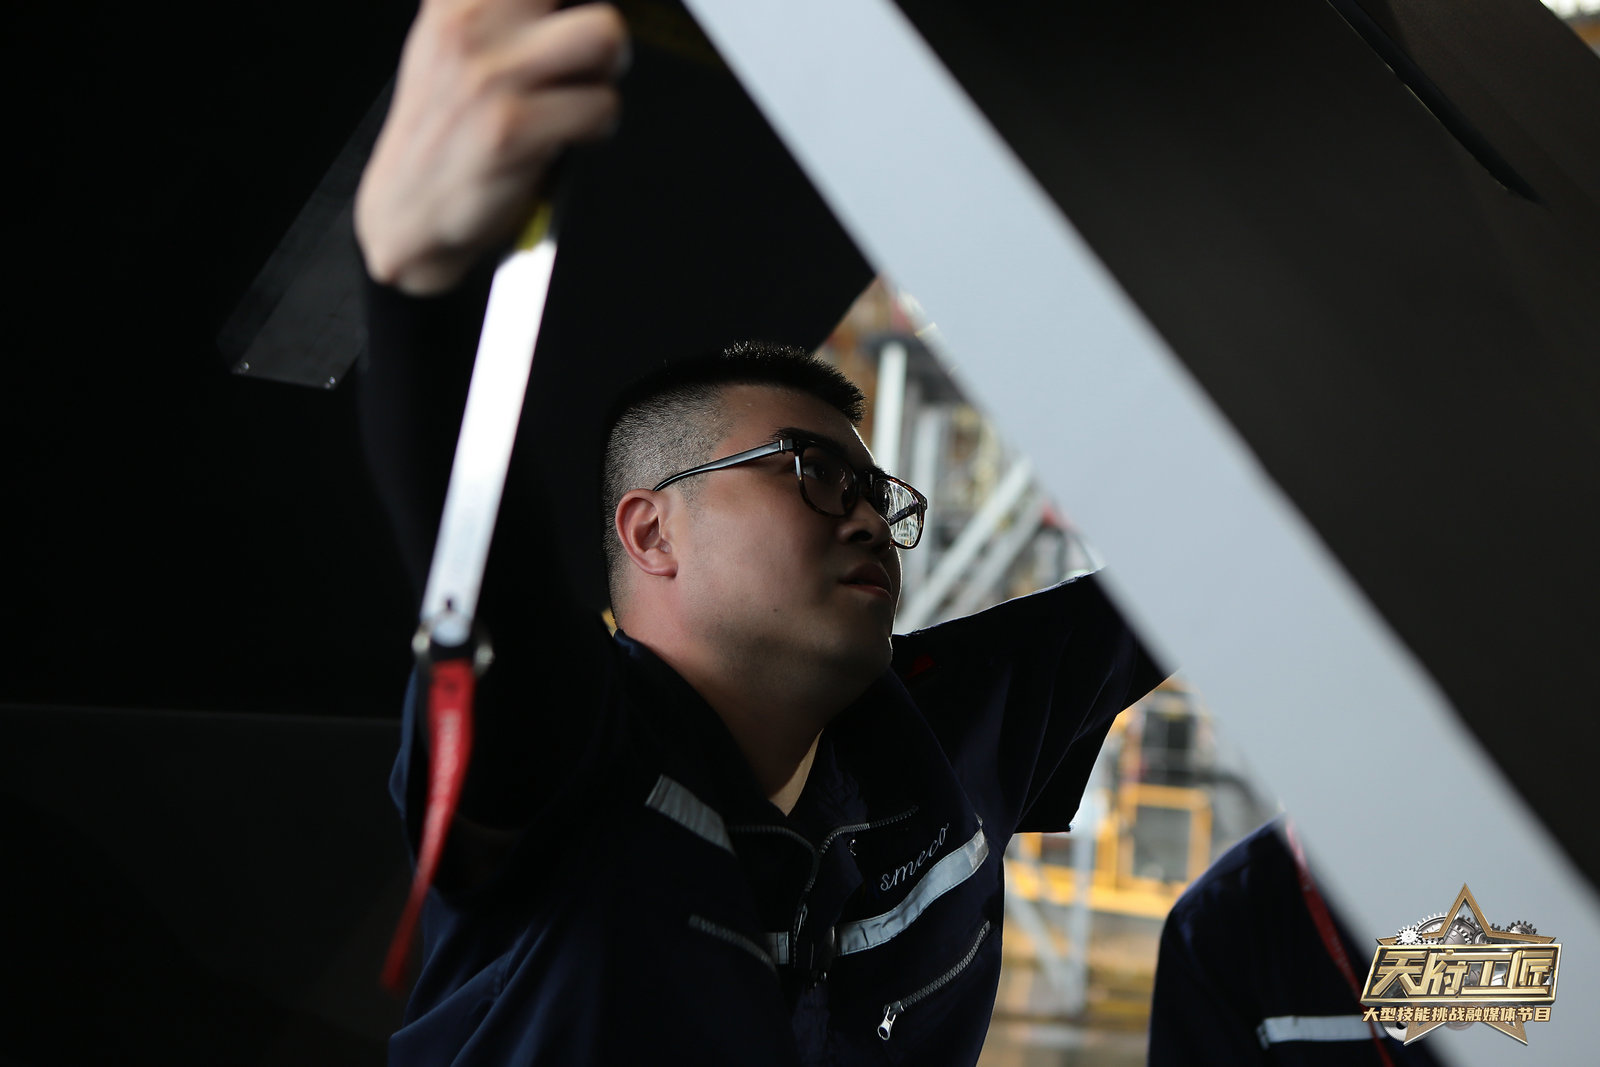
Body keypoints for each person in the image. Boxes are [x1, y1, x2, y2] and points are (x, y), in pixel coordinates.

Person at [355, 1, 1165, 1062]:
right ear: (652, 531)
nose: (868, 512)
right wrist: (413, 294)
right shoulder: (573, 752)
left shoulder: (939, 739)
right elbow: (486, 576)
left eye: (877, 490)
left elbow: (1192, 582)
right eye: (811, 470)